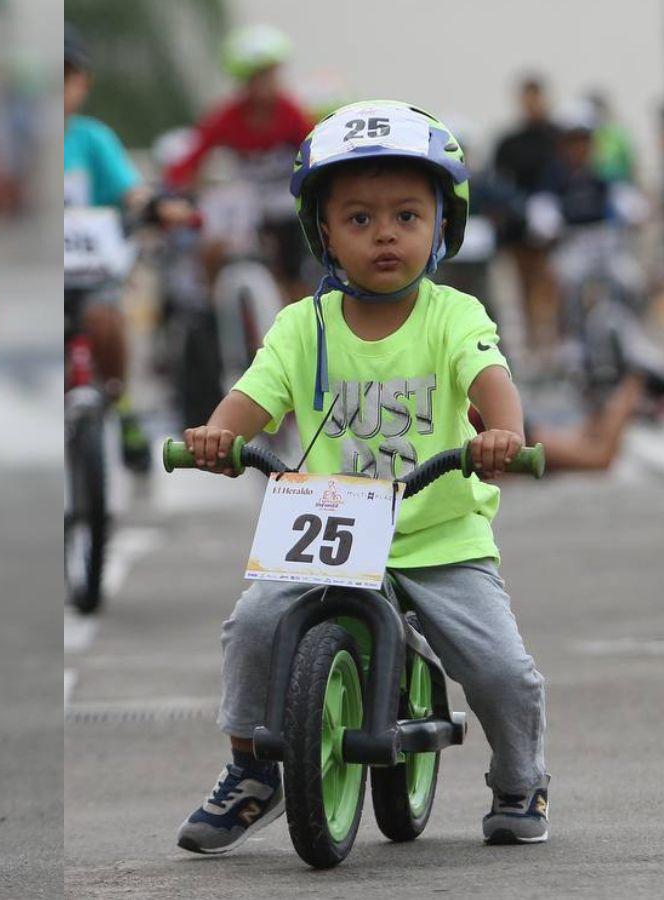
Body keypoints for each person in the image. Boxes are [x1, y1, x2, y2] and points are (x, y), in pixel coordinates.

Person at [176, 101, 549, 853]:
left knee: (502, 670)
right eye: (359, 219)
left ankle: (520, 777)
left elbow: (488, 375)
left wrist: (501, 430)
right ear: (323, 233)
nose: (385, 233)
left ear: (443, 225)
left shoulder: (452, 313)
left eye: (408, 215)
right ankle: (251, 769)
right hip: (328, 529)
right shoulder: (300, 326)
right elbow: (252, 398)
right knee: (252, 626)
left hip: (438, 530)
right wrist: (219, 437)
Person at [163, 24, 312, 302]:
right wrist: (175, 189)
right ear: (243, 81)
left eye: (270, 75)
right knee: (214, 246)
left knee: (294, 269)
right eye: (256, 77)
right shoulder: (226, 117)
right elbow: (191, 158)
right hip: (246, 205)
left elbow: (315, 150)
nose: (265, 84)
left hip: (285, 202)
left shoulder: (290, 112)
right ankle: (212, 306)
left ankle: (302, 317)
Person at [63, 23, 154, 471]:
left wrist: (149, 206)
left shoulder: (91, 138)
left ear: (83, 82)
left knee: (106, 321)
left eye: (67, 75)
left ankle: (120, 401)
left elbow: (130, 189)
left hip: (90, 270)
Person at [493, 75, 561, 357]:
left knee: (548, 284)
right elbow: (499, 182)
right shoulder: (510, 142)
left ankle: (550, 341)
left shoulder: (556, 138)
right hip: (518, 227)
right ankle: (532, 345)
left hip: (553, 227)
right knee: (523, 284)